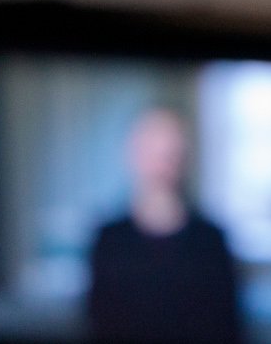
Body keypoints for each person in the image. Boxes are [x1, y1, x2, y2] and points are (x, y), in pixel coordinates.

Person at [85, 107, 242, 344]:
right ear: (132, 153)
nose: (162, 163)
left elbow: (229, 329)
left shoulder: (212, 242)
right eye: (152, 150)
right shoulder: (108, 240)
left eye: (170, 151)